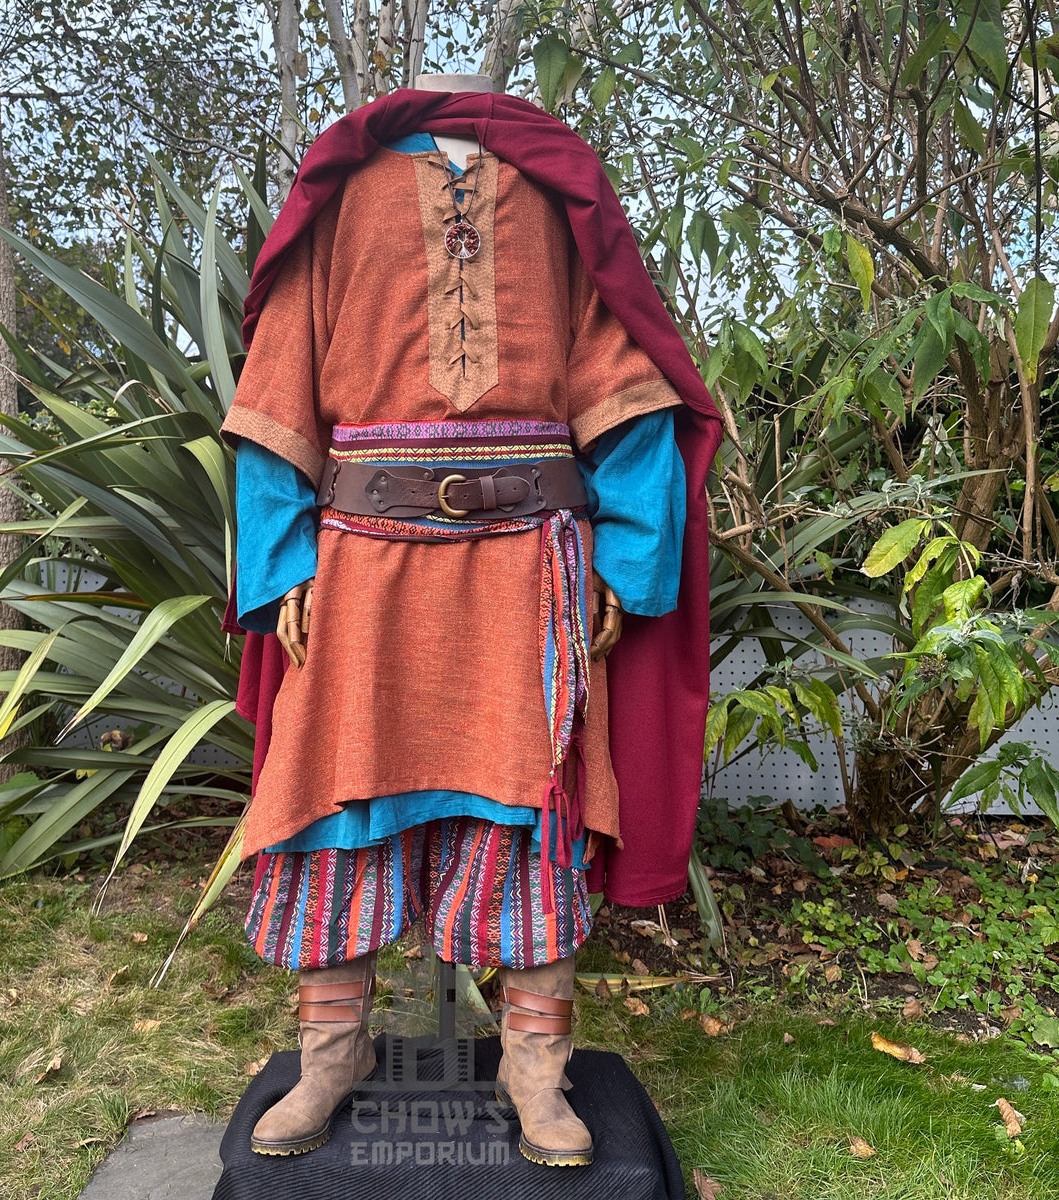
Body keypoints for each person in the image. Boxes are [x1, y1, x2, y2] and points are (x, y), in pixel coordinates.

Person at [219, 76, 722, 1167]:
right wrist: (279, 558)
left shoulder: (550, 196)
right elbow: (276, 385)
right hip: (359, 570)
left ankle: (535, 1063)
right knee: (331, 796)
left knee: (530, 806)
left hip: (526, 571)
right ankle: (331, 1051)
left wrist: (630, 561)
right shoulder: (343, 191)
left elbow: (622, 377)